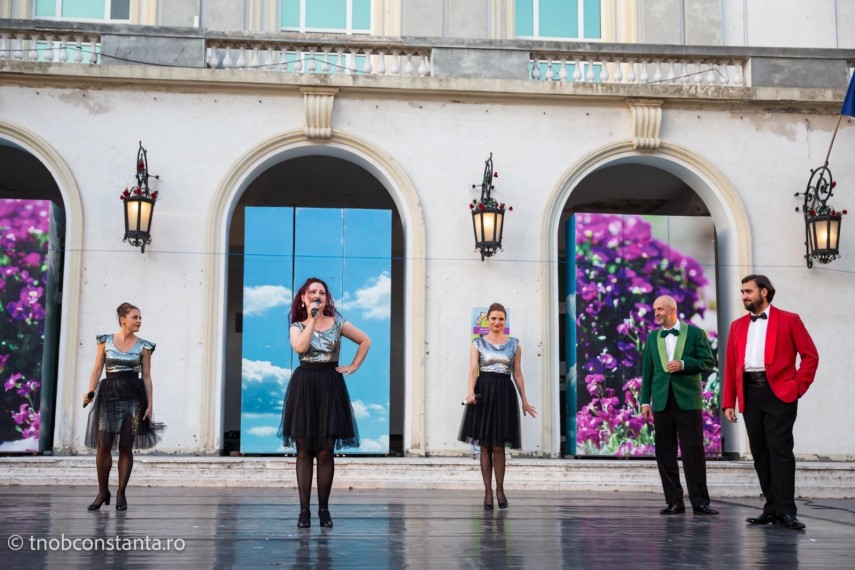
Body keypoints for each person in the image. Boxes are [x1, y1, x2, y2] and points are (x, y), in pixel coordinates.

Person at [723, 274, 818, 530]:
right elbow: (732, 366)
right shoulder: (737, 325)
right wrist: (728, 401)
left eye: (748, 291)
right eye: (742, 292)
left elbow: (810, 356)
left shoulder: (789, 320)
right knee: (760, 453)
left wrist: (797, 387)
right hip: (750, 395)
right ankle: (772, 508)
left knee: (780, 452)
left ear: (764, 292)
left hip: (779, 394)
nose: (744, 296)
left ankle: (786, 511)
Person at [279, 277, 371, 529]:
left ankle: (324, 510)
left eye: (321, 292)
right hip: (305, 385)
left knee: (325, 451)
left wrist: (353, 366)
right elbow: (300, 347)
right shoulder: (297, 325)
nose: (317, 295)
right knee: (304, 450)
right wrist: (311, 319)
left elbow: (365, 340)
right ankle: (304, 511)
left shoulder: (338, 323)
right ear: (303, 298)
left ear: (326, 297)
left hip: (330, 385)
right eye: (312, 292)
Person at [641, 295, 718, 515]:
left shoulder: (694, 333)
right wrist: (645, 401)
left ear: (672, 309)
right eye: (654, 309)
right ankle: (674, 501)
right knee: (665, 453)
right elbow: (647, 372)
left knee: (693, 451)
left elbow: (707, 362)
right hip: (662, 402)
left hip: (688, 401)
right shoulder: (652, 337)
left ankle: (700, 502)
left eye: (660, 309)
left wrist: (684, 364)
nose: (656, 313)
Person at [83, 302, 163, 511]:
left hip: (133, 398)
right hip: (108, 395)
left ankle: (121, 493)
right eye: (135, 317)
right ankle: (102, 491)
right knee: (103, 445)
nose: (139, 321)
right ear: (123, 319)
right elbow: (97, 368)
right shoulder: (105, 341)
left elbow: (146, 376)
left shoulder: (144, 346)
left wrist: (150, 405)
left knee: (126, 446)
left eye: (140, 318)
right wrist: (90, 391)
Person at [459, 302, 537, 510]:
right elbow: (472, 371)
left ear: (505, 321)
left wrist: (525, 401)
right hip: (483, 394)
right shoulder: (477, 343)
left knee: (498, 446)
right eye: (493, 318)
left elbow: (517, 373)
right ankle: (487, 493)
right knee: (484, 445)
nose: (497, 322)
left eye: (501, 318)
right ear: (487, 320)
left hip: (504, 393)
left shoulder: (514, 344)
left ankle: (500, 490)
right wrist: (470, 392)